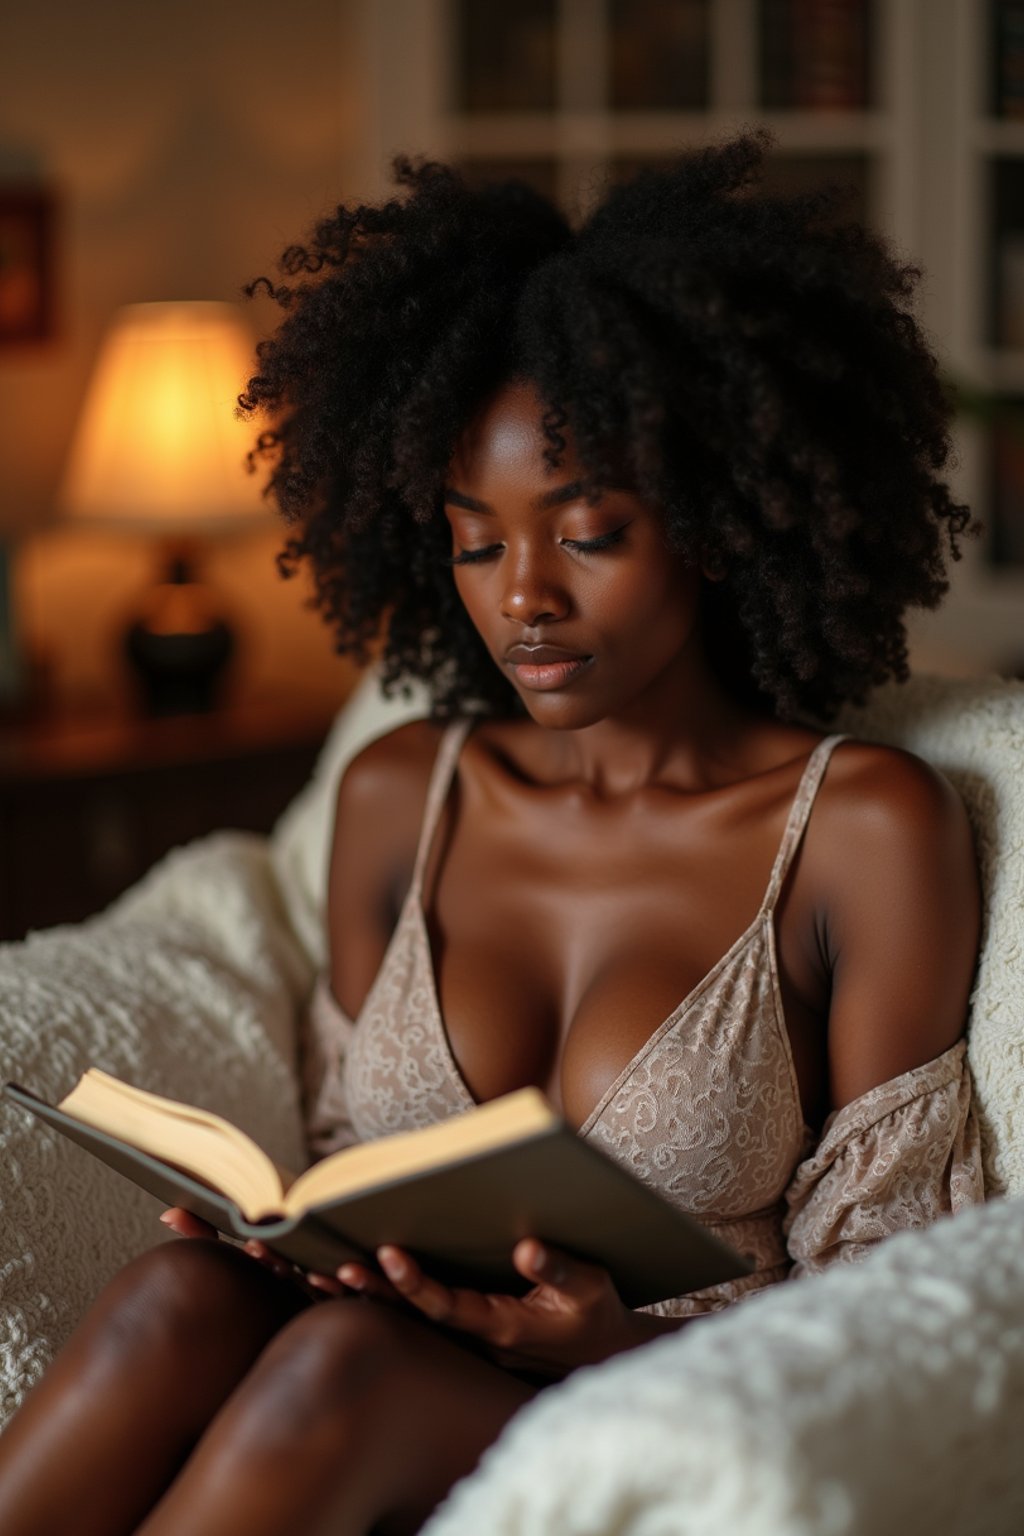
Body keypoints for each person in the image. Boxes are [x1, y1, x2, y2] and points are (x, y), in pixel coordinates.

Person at [0, 127, 985, 1536]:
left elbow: (895, 1298)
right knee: (178, 1296)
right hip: (370, 1343)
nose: (524, 594)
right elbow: (350, 1149)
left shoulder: (863, 828)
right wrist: (297, 1242)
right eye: (476, 541)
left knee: (335, 1371)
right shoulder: (405, 791)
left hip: (636, 1389)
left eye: (585, 534)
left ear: (709, 522)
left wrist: (609, 1342)